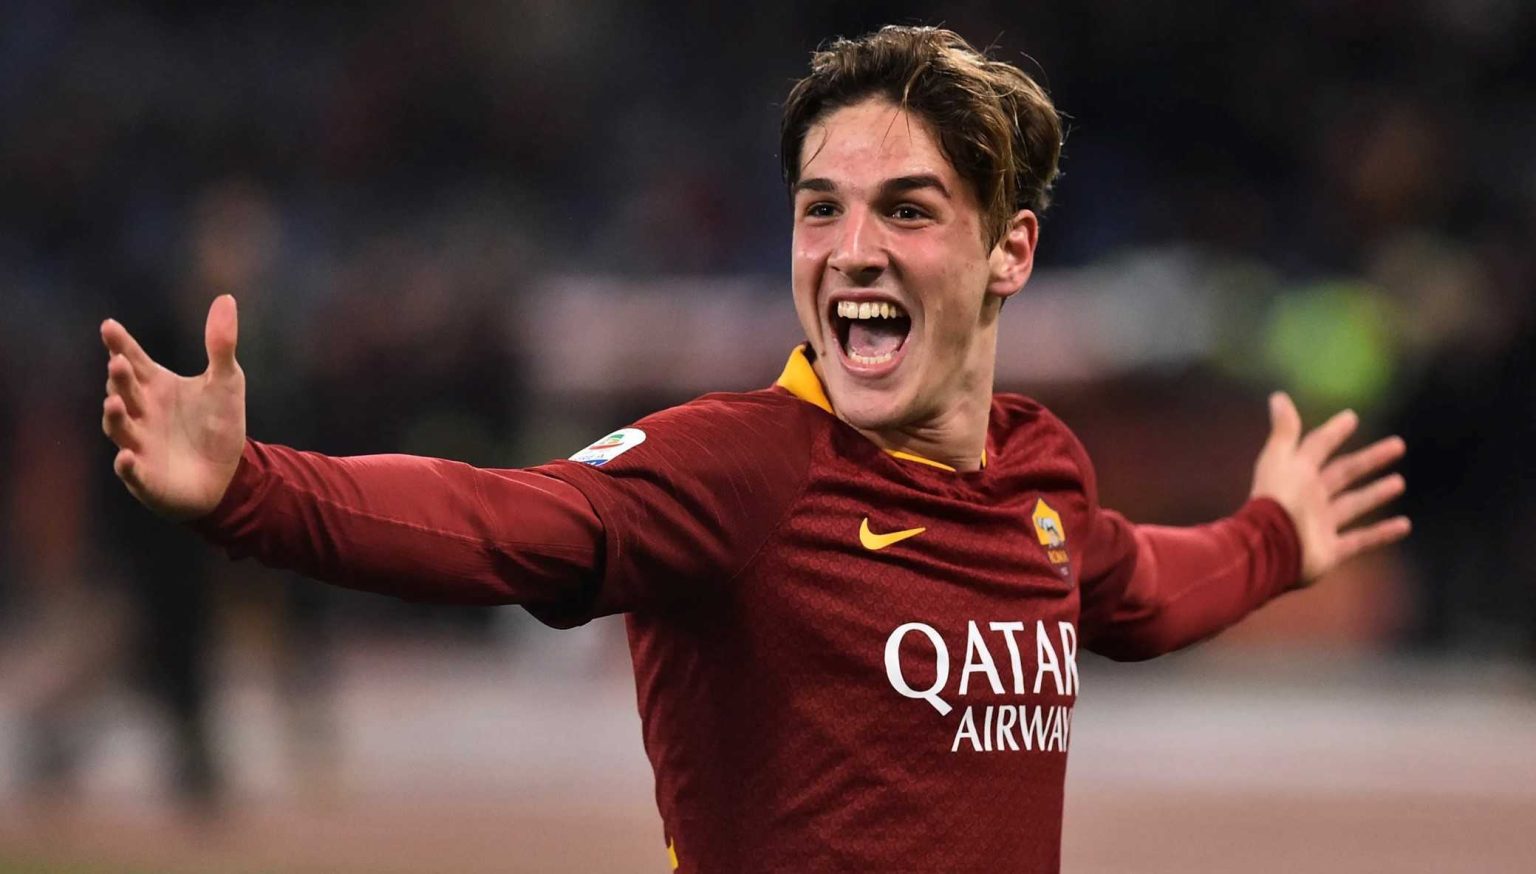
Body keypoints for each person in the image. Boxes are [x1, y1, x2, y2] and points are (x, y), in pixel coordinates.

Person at [97, 26, 1409, 873]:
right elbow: (502, 520)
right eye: (820, 210)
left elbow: (1138, 585)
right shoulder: (738, 470)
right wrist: (249, 490)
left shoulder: (1039, 474)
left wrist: (1275, 536)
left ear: (1010, 250)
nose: (852, 252)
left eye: (908, 210)